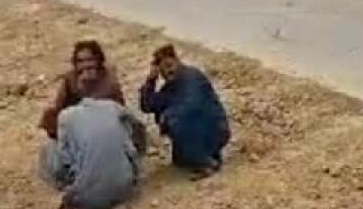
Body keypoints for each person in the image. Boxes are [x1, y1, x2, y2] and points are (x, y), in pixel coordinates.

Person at [40, 65, 143, 209]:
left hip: (88, 198)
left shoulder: (67, 116)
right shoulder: (113, 107)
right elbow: (135, 138)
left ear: (78, 88)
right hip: (125, 189)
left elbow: (65, 160)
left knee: (50, 149)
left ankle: (72, 191)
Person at [139, 44, 230, 178]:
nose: (168, 72)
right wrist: (150, 81)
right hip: (198, 132)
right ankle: (200, 155)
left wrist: (167, 116)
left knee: (179, 120)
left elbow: (192, 104)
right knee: (180, 161)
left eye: (170, 65)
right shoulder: (169, 88)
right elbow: (148, 106)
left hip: (215, 129)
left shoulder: (192, 76)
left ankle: (206, 163)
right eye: (163, 70)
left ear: (177, 61)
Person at [40, 40, 125, 139]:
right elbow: (59, 107)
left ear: (98, 60)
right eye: (81, 61)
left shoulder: (108, 77)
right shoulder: (70, 78)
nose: (86, 65)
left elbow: (118, 106)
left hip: (103, 122)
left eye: (90, 60)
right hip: (77, 123)